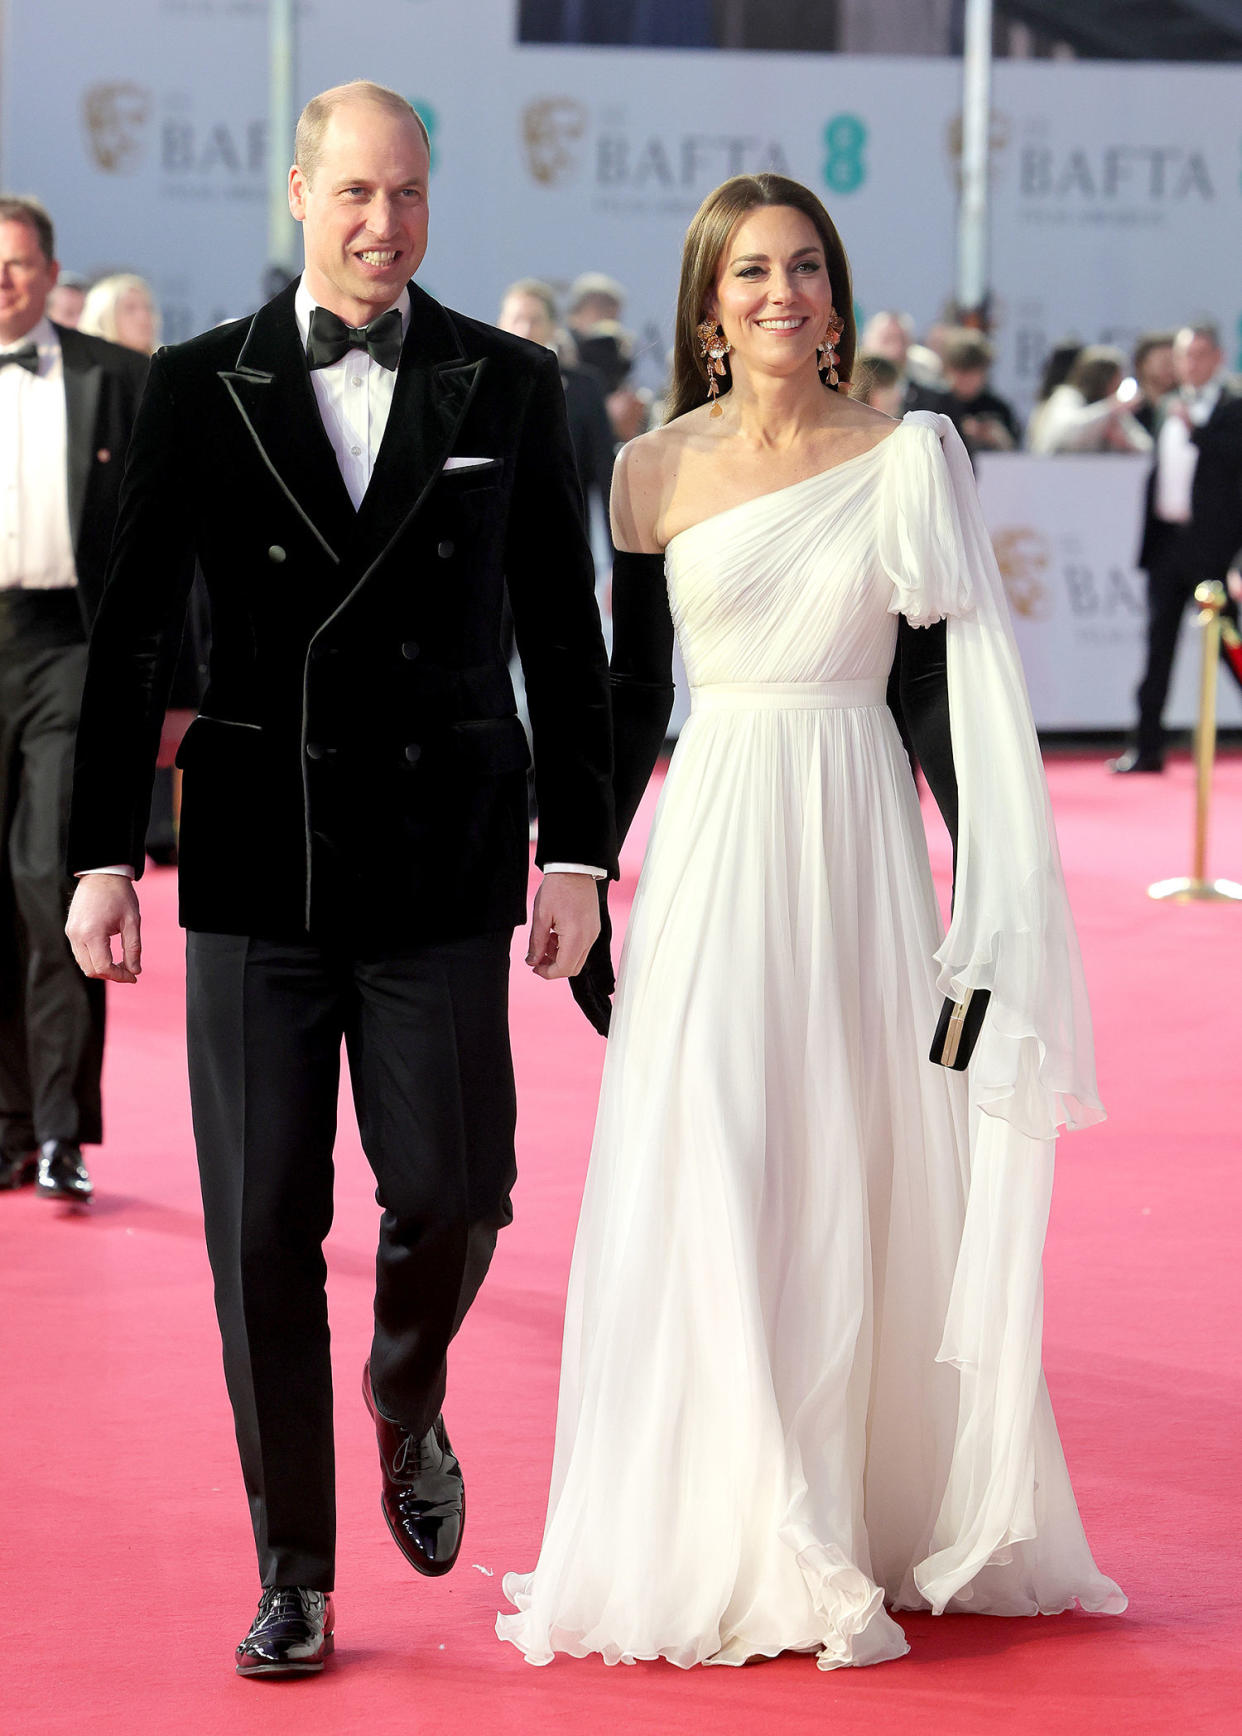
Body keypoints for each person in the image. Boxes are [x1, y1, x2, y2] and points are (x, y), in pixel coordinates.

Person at [498, 173, 1125, 1672]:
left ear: (836, 296)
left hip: (854, 845)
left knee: (854, 1156)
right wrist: (578, 861)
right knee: (709, 1151)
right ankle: (750, 1514)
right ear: (706, 307)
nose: (780, 294)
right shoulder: (646, 470)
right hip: (717, 836)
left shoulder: (909, 457)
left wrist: (991, 891)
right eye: (749, 274)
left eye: (804, 269)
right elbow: (630, 696)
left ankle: (850, 1508)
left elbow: (930, 698)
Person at [64, 80, 614, 1677]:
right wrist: (102, 853)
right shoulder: (191, 386)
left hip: (446, 858)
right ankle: (293, 1569)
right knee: (258, 1231)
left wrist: (574, 850)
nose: (386, 225)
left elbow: (563, 645)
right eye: (357, 194)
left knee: (456, 1194)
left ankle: (404, 1391)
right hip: (254, 860)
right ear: (299, 191)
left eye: (413, 195)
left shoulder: (507, 384)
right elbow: (131, 642)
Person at [0, 197, 147, 1201]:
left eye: (17, 264)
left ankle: (59, 1127)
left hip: (69, 648)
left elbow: (162, 551)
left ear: (53, 273)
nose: (3, 281)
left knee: (54, 880)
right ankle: (5, 1121)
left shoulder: (116, 380)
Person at [1110, 321, 1242, 773]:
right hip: (1167, 546)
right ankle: (1147, 748)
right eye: (1186, 354)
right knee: (1157, 651)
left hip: (1215, 553)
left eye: (1201, 353)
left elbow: (1231, 465)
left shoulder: (1233, 408)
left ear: (1219, 358)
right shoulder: (1167, 405)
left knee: (1234, 646)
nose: (1191, 363)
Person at [497, 278, 615, 532]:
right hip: (494, 541)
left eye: (535, 320)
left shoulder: (584, 386)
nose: (526, 329)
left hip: (563, 536)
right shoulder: (482, 386)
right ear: (500, 325)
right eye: (517, 319)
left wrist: (618, 560)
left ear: (553, 327)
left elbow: (605, 473)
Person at [1027, 346, 1152, 455]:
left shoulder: (1115, 410)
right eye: (1117, 377)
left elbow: (1147, 448)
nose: (1119, 383)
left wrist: (1125, 442)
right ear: (1102, 378)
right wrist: (1110, 408)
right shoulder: (1067, 396)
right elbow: (1068, 433)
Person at [940, 328, 1021, 451]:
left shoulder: (998, 409)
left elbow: (1015, 451)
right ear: (948, 370)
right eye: (961, 371)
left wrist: (995, 436)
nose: (966, 378)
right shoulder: (936, 404)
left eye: (972, 372)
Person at [78, 272, 160, 354]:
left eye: (148, 307)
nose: (144, 316)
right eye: (130, 308)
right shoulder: (82, 365)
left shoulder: (168, 364)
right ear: (103, 319)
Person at [1130, 331, 1176, 439]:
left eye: (1175, 361)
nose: (1171, 368)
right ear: (1143, 364)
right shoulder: (1130, 411)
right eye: (1164, 362)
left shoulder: (1188, 407)